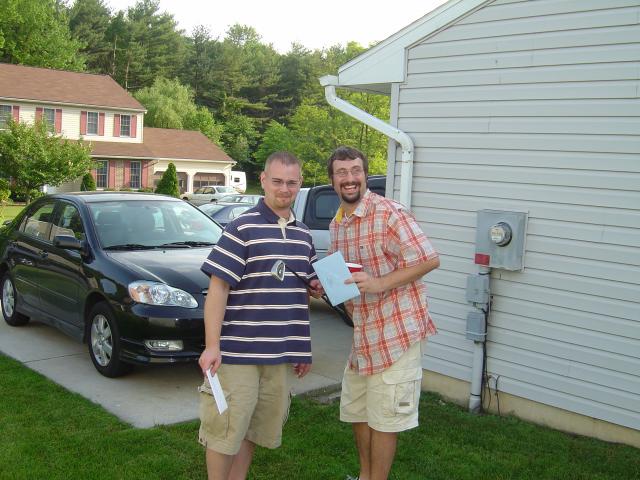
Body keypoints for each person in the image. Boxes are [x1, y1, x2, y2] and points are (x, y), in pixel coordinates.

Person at [197, 151, 319, 480]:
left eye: (291, 182)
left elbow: (299, 293)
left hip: (278, 357)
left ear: (300, 183)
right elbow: (218, 288)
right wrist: (212, 346)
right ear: (263, 180)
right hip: (238, 354)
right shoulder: (241, 228)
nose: (284, 189)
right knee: (225, 432)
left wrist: (301, 348)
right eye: (277, 181)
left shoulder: (304, 235)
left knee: (252, 431)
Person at [327, 146, 440, 480]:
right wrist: (329, 287)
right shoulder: (338, 225)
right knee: (358, 412)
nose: (350, 178)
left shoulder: (389, 213)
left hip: (396, 333)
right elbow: (347, 277)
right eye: (342, 172)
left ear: (365, 175)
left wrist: (378, 283)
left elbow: (429, 259)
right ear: (332, 180)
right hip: (363, 335)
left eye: (355, 170)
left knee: (385, 419)